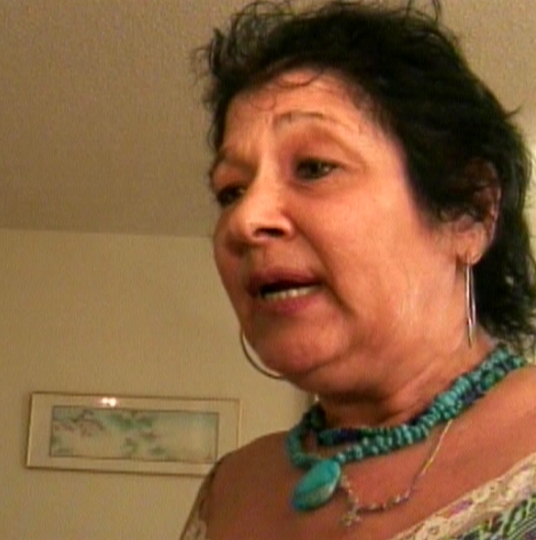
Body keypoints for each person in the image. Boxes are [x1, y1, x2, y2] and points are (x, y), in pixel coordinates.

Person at [180, 1, 536, 538]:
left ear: (469, 212)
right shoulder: (228, 489)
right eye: (231, 190)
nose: (245, 220)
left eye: (314, 167)